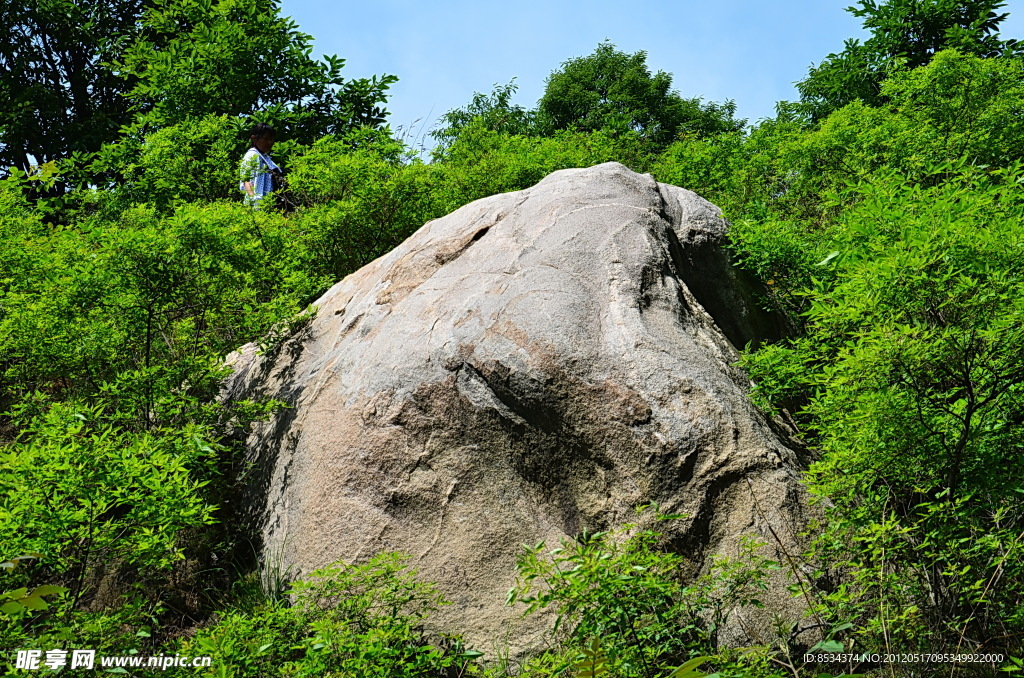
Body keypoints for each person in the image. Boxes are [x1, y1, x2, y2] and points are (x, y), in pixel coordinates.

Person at [239, 123, 282, 208]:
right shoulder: (252, 156)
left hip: (269, 205)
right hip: (258, 206)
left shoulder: (265, 157)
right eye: (266, 139)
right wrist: (254, 202)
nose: (270, 142)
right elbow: (246, 181)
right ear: (254, 139)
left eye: (272, 139)